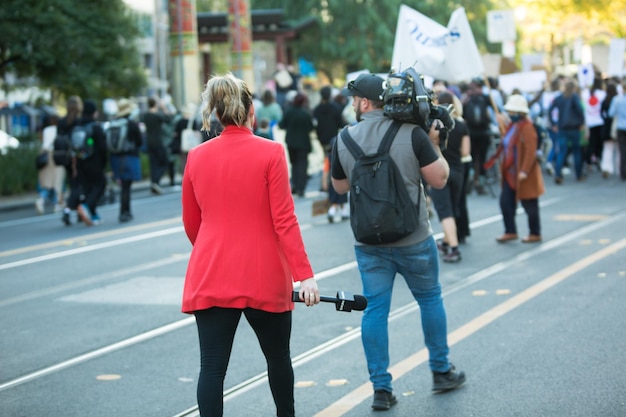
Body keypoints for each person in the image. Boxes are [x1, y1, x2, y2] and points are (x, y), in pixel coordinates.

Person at [181, 72, 320, 417]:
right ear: (250, 111)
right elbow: (284, 220)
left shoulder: (196, 157)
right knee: (277, 359)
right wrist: (305, 276)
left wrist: (213, 249)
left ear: (217, 113)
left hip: (211, 270)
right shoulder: (271, 152)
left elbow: (191, 222)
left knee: (212, 367)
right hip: (263, 272)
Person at [330, 73, 466, 411]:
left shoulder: (343, 139)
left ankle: (381, 389)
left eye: (353, 99)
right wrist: (434, 143)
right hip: (414, 239)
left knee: (375, 311)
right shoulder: (413, 134)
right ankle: (441, 371)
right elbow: (440, 179)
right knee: (430, 299)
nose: (351, 105)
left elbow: (340, 188)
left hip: (369, 244)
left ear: (364, 103)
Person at [486, 94, 545, 243]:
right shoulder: (514, 125)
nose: (509, 114)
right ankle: (510, 230)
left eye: (512, 111)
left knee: (530, 204)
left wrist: (524, 170)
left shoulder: (527, 127)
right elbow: (508, 140)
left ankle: (535, 232)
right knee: (505, 202)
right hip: (510, 171)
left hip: (524, 173)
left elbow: (531, 151)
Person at [431, 91, 471, 262]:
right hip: (458, 171)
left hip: (440, 170)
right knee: (453, 208)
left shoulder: (434, 125)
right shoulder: (461, 125)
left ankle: (453, 248)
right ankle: (447, 241)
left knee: (444, 211)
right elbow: (466, 152)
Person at [313, 86, 347, 221]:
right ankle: (339, 199)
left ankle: (327, 186)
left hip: (323, 142)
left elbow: (315, 124)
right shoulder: (336, 108)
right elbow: (341, 123)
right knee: (337, 166)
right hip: (334, 141)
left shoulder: (316, 110)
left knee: (327, 165)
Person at [109, 99, 143, 223]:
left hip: (116, 158)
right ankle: (125, 212)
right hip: (129, 157)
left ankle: (123, 211)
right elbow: (140, 141)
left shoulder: (113, 123)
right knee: (126, 187)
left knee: (123, 186)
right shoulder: (132, 124)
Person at [549, 79, 586, 184]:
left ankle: (558, 174)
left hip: (563, 128)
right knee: (576, 151)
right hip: (574, 128)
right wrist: (581, 122)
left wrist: (553, 124)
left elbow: (550, 110)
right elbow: (580, 111)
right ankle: (578, 175)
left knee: (562, 151)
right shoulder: (574, 97)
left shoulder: (560, 98)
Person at [279, 92, 315, 197]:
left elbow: (282, 125)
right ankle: (301, 187)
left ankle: (295, 185)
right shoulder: (305, 113)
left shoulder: (288, 112)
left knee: (294, 164)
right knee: (302, 165)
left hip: (291, 142)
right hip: (303, 143)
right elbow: (311, 128)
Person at [463, 79, 495, 195]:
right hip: (483, 132)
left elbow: (462, 114)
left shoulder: (467, 98)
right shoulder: (485, 97)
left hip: (471, 133)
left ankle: (472, 177)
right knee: (481, 159)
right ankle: (479, 183)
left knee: (471, 158)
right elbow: (495, 110)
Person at [58, 96, 83, 226]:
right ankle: (67, 211)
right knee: (77, 187)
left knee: (73, 185)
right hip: (76, 157)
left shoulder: (62, 122)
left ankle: (79, 212)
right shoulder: (79, 122)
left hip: (64, 158)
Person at [36, 115, 65, 214]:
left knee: (47, 183)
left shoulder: (46, 130)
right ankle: (57, 204)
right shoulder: (59, 130)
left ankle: (41, 200)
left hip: (45, 155)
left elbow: (44, 144)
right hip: (56, 155)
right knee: (58, 182)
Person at [142, 97, 172, 194]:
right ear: (156, 104)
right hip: (158, 141)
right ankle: (156, 182)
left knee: (153, 164)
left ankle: (154, 184)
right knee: (164, 162)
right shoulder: (157, 115)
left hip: (149, 142)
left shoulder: (146, 115)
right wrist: (164, 108)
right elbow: (168, 119)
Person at [600, 81, 620, 178]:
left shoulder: (605, 101)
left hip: (607, 127)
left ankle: (606, 167)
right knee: (619, 149)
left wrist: (606, 120)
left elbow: (602, 114)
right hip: (617, 127)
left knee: (607, 149)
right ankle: (620, 169)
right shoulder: (617, 100)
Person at [608, 79, 626, 180]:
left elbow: (611, 113)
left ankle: (623, 172)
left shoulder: (617, 100)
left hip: (621, 127)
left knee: (622, 151)